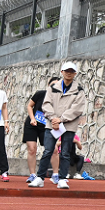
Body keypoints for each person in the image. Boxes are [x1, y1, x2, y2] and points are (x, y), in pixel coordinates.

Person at [29, 61, 88, 189]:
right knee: (48, 151)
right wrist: (53, 119)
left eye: (72, 71)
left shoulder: (79, 90)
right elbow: (46, 104)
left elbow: (77, 108)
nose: (69, 73)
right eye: (66, 71)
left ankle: (62, 178)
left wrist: (61, 119)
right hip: (52, 124)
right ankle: (40, 178)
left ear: (75, 73)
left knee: (65, 153)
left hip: (69, 125)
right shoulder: (52, 88)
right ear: (62, 72)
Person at [23, 77, 59, 183]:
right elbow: (29, 106)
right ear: (48, 86)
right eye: (52, 85)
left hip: (47, 126)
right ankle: (32, 175)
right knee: (32, 149)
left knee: (54, 150)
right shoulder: (40, 94)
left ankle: (55, 175)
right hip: (32, 124)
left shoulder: (60, 99)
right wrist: (32, 118)